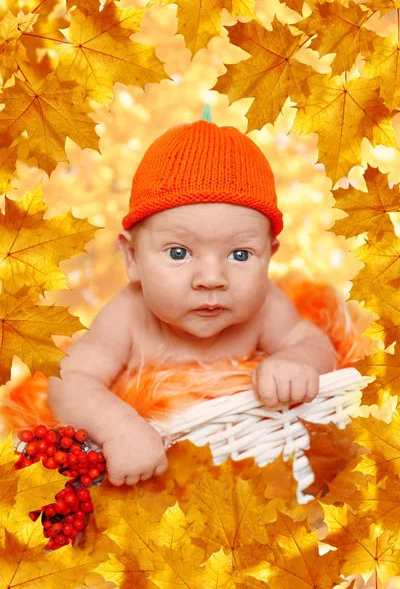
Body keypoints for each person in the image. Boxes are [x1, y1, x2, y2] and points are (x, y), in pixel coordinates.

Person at [47, 104, 337, 487]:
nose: (212, 279)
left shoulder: (266, 306)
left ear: (270, 256)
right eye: (179, 253)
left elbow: (316, 344)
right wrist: (120, 427)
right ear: (132, 257)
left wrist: (296, 360)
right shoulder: (128, 316)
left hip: (248, 478)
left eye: (240, 254)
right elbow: (68, 379)